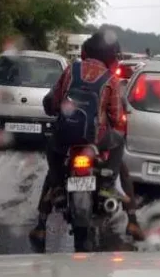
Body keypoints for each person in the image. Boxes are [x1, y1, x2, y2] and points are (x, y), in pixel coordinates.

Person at [30, 32, 144, 249]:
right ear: (109, 56)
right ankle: (130, 217)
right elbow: (115, 117)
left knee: (53, 168)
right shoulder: (110, 79)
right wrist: (113, 126)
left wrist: (54, 108)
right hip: (96, 140)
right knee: (119, 145)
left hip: (66, 138)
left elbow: (53, 102)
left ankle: (41, 225)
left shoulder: (71, 70)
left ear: (86, 52)